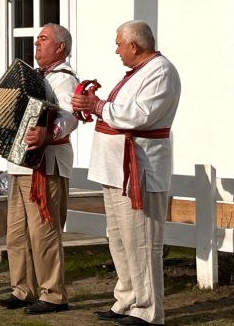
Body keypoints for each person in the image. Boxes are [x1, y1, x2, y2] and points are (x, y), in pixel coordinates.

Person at [72, 20, 181, 326]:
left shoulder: (161, 71)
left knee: (142, 240)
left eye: (119, 43)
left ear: (134, 46)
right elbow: (116, 112)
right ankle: (127, 299)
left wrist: (97, 105)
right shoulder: (137, 73)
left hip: (140, 169)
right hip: (115, 170)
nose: (116, 49)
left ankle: (148, 311)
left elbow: (139, 115)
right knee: (119, 239)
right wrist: (91, 106)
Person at [0, 23, 79, 315]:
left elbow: (70, 116)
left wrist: (49, 133)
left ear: (60, 46)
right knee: (16, 234)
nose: (36, 44)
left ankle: (54, 295)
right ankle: (23, 289)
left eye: (43, 39)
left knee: (44, 232)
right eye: (35, 40)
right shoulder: (33, 78)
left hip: (47, 164)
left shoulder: (64, 79)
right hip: (21, 165)